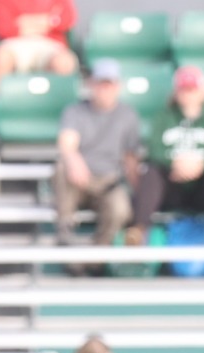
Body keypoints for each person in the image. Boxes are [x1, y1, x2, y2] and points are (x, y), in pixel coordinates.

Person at [132, 65, 204, 249]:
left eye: (192, 90)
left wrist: (200, 165)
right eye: (184, 90)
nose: (188, 95)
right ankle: (138, 229)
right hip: (171, 185)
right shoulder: (164, 116)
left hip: (202, 188)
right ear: (176, 92)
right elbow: (154, 149)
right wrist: (176, 164)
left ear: (202, 92)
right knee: (152, 172)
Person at [54, 61, 143, 273]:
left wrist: (140, 194)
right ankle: (65, 232)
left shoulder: (127, 115)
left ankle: (96, 257)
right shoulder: (76, 110)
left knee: (120, 208)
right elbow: (67, 143)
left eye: (109, 84)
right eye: (101, 83)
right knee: (62, 168)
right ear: (91, 84)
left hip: (108, 180)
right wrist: (74, 160)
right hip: (79, 179)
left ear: (117, 86)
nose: (105, 89)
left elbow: (130, 158)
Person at [0, 0, 76, 93]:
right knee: (2, 58)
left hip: (50, 44)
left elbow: (67, 19)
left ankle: (64, 104)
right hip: (15, 42)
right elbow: (4, 27)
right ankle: (1, 104)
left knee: (64, 62)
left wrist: (26, 23)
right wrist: (44, 22)